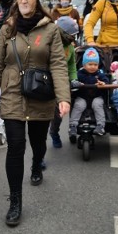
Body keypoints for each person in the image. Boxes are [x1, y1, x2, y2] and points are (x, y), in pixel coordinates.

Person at [0, 0, 71, 227]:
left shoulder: (50, 29)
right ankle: (15, 201)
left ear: (37, 0)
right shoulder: (7, 28)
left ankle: (37, 164)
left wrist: (63, 97)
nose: (23, 1)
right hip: (12, 95)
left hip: (41, 96)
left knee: (38, 142)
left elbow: (58, 66)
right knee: (15, 147)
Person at [48, 16, 79, 149]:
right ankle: (39, 156)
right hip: (45, 83)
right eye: (71, 35)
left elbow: (72, 67)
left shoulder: (70, 48)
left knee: (58, 114)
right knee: (41, 118)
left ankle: (54, 132)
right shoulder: (48, 43)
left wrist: (73, 79)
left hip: (61, 85)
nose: (73, 38)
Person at [69, 47, 109, 137]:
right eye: (90, 64)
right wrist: (77, 83)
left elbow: (106, 81)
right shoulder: (79, 73)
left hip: (96, 96)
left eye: (95, 64)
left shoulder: (99, 74)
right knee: (78, 105)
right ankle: (73, 125)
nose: (93, 67)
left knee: (98, 105)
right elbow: (73, 81)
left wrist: (103, 83)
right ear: (84, 65)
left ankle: (100, 125)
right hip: (82, 96)